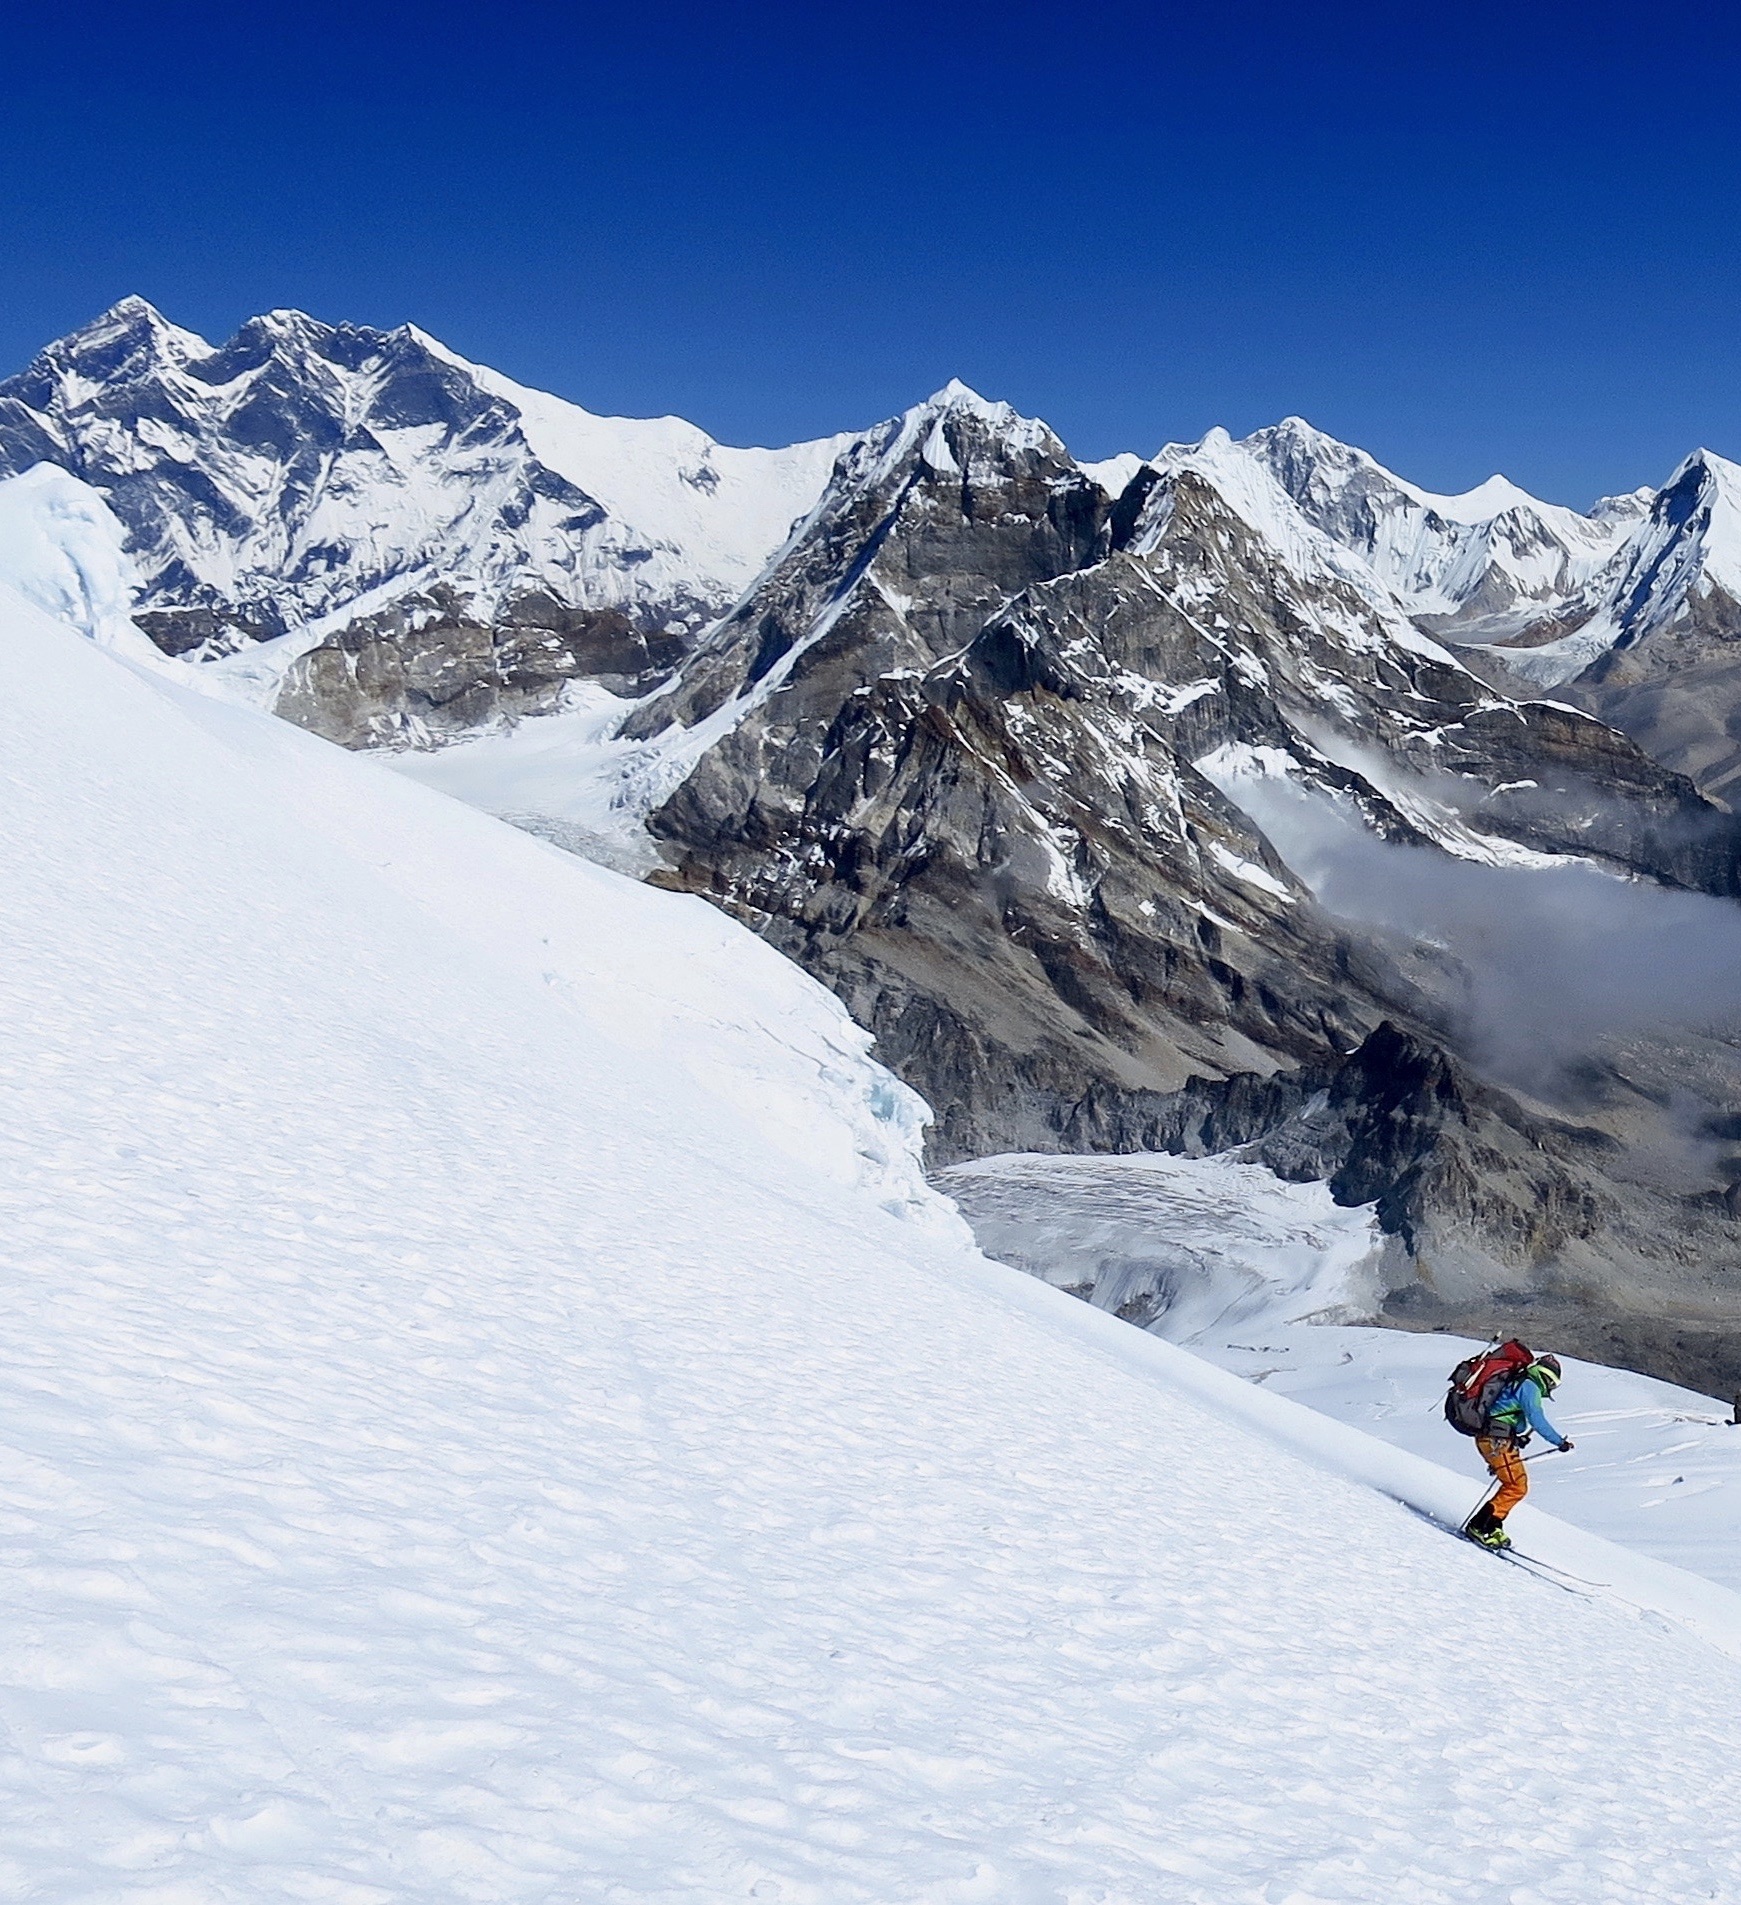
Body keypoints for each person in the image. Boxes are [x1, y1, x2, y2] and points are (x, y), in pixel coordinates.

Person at [1465, 1354, 1574, 1549]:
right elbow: (1536, 1418)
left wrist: (1516, 1435)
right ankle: (1479, 1526)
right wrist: (1559, 1442)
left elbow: (1508, 1413)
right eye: (1552, 1385)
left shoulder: (1521, 1381)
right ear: (1547, 1378)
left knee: (1515, 1483)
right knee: (1516, 1485)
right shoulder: (1529, 1386)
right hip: (1497, 1440)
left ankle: (1493, 1525)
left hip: (1495, 1438)